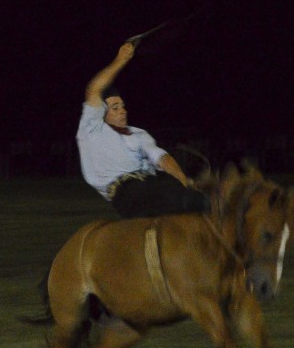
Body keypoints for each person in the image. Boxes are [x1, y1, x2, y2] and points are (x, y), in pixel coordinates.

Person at [76, 41, 209, 218]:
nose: (123, 111)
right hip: (127, 192)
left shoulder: (138, 134)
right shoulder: (92, 130)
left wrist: (184, 182)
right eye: (115, 108)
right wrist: (121, 59)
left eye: (123, 106)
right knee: (189, 203)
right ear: (102, 113)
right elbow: (94, 90)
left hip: (155, 183)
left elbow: (162, 158)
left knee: (203, 200)